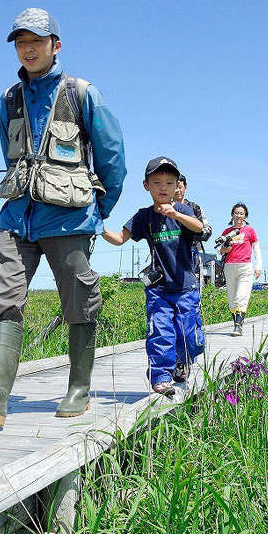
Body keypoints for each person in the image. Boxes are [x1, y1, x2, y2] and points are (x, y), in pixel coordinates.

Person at [0, 8, 126, 427]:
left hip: (69, 219)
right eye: (21, 42)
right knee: (1, 297)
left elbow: (113, 159)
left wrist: (98, 211)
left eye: (37, 41)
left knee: (79, 303)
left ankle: (78, 389)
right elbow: (10, 155)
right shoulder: (7, 100)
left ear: (55, 45)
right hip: (18, 218)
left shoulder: (83, 93)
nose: (28, 49)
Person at [101, 157, 205, 396]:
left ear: (177, 186)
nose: (163, 187)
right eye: (156, 182)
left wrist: (176, 215)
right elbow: (119, 239)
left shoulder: (183, 210)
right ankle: (161, 376)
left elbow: (198, 227)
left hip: (186, 287)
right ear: (146, 185)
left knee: (188, 336)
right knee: (160, 331)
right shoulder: (143, 216)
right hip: (158, 289)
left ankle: (182, 362)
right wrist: (99, 226)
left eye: (169, 183)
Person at [217, 202, 262, 336]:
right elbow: (220, 250)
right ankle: (236, 323)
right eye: (236, 213)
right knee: (231, 298)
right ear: (232, 215)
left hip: (245, 266)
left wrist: (258, 267)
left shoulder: (250, 230)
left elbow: (256, 250)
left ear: (245, 216)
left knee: (241, 296)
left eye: (241, 213)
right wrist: (224, 249)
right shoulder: (226, 232)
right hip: (230, 266)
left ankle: (238, 326)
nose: (239, 215)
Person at [173, 173, 212, 287]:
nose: (177, 190)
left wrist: (192, 231)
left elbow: (207, 231)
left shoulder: (195, 208)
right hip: (170, 253)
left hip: (192, 254)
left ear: (185, 188)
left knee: (193, 289)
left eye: (180, 187)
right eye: (174, 187)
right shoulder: (164, 208)